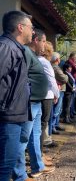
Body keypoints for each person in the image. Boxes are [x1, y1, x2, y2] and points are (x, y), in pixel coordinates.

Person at [13, 29, 55, 180]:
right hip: (29, 103)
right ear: (36, 40)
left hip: (36, 102)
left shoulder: (34, 55)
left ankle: (38, 166)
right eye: (43, 41)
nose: (45, 45)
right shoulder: (25, 52)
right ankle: (19, 174)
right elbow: (20, 77)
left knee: (35, 136)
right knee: (23, 138)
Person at [0, 11, 31, 181]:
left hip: (13, 116)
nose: (32, 32)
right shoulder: (6, 47)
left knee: (7, 164)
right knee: (4, 167)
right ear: (20, 27)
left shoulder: (15, 48)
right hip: (7, 117)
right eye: (31, 28)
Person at [38, 41, 59, 150]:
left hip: (37, 95)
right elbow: (52, 80)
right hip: (47, 95)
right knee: (43, 123)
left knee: (38, 124)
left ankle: (38, 149)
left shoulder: (36, 60)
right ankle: (40, 151)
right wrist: (57, 94)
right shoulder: (45, 63)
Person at [51, 52, 68, 133]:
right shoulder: (55, 68)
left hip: (60, 89)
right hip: (59, 90)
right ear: (57, 59)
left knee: (59, 109)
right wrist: (66, 75)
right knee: (56, 109)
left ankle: (56, 124)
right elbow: (64, 78)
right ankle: (53, 126)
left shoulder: (55, 67)